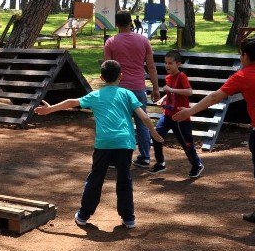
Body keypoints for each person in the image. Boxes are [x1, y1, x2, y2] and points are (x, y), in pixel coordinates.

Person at [174, 37, 255, 229]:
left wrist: (189, 112)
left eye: (241, 54)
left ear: (245, 56)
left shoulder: (242, 75)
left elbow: (216, 96)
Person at [35, 60, 162, 229]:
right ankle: (129, 218)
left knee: (96, 178)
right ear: (121, 76)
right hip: (125, 143)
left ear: (102, 78)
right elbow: (144, 116)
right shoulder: (127, 94)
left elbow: (70, 102)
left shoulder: (95, 96)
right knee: (124, 179)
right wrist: (153, 133)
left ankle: (83, 215)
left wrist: (48, 109)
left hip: (104, 144)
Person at [103, 10, 160, 168]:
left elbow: (107, 68)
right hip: (138, 88)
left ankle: (118, 158)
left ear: (116, 24)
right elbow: (151, 67)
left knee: (118, 123)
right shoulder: (143, 40)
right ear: (131, 23)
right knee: (142, 122)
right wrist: (156, 88)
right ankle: (145, 157)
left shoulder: (111, 42)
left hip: (118, 89)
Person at [152, 50, 203, 178]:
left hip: (181, 116)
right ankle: (160, 163)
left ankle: (197, 165)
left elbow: (189, 92)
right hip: (168, 114)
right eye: (165, 63)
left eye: (170, 63)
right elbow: (170, 93)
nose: (167, 66)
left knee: (186, 143)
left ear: (178, 64)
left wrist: (171, 89)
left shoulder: (181, 76)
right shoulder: (168, 77)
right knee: (156, 135)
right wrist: (163, 98)